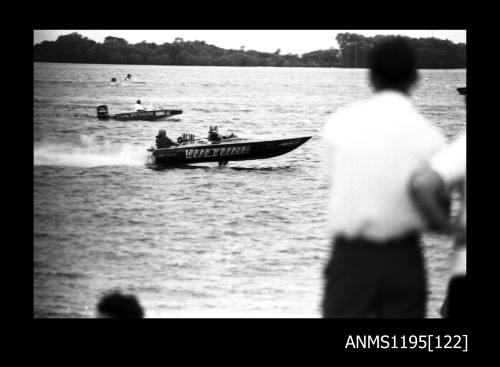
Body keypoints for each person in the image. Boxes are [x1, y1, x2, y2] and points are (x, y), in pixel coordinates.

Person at [321, 36, 446, 318]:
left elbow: (335, 181)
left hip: (350, 256)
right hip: (403, 258)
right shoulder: (431, 137)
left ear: (371, 77)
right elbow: (437, 206)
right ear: (415, 78)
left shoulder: (338, 125)